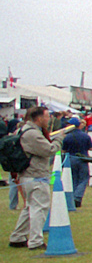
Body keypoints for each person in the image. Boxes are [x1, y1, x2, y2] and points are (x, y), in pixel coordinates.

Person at [8, 106, 65, 250]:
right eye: (46, 117)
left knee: (29, 208)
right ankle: (35, 241)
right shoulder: (32, 134)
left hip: (27, 176)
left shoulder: (23, 130)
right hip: (36, 175)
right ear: (39, 118)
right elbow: (49, 150)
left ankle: (18, 236)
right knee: (39, 208)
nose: (48, 120)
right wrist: (59, 139)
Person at [60, 117, 92, 208]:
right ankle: (78, 197)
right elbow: (91, 148)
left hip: (71, 159)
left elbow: (63, 150)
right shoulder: (85, 136)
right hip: (83, 159)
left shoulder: (67, 137)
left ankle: (73, 197)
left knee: (74, 179)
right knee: (83, 179)